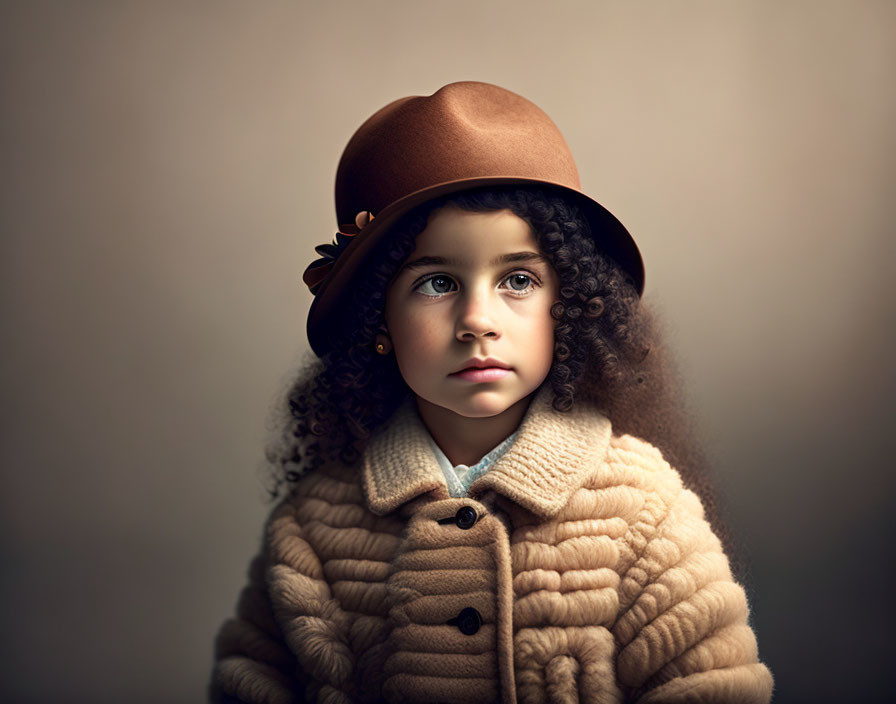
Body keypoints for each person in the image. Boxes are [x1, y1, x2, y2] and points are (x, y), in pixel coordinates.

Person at [209, 81, 774, 703]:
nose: (478, 319)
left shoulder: (645, 513)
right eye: (436, 283)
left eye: (519, 279)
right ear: (378, 319)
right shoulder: (311, 532)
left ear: (571, 304)